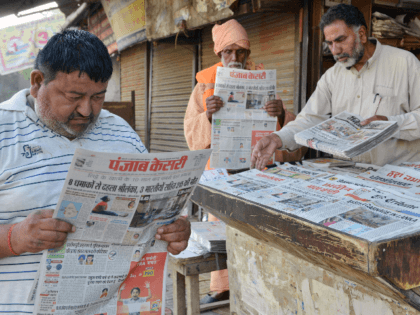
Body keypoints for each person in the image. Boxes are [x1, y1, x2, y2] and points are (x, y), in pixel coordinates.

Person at [0, 29, 191, 314]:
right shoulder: (4, 130)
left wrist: (175, 229)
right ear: (38, 82)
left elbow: (153, 209)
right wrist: (14, 238)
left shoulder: (120, 131)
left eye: (98, 97)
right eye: (74, 96)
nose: (87, 111)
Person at [183, 19, 305, 304]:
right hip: (222, 169)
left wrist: (281, 113)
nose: (235, 58)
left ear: (248, 53)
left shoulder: (261, 78)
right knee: (221, 228)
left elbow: (289, 134)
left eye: (241, 52)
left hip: (257, 168)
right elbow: (190, 132)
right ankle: (222, 287)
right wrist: (207, 117)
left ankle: (260, 286)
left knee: (259, 227)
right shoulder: (204, 86)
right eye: (228, 52)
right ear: (218, 53)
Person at [252, 4, 420, 170]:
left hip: (397, 176)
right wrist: (277, 138)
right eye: (330, 43)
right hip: (350, 176)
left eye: (340, 40)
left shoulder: (404, 63)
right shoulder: (332, 76)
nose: (335, 50)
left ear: (361, 34)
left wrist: (390, 124)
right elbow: (309, 119)